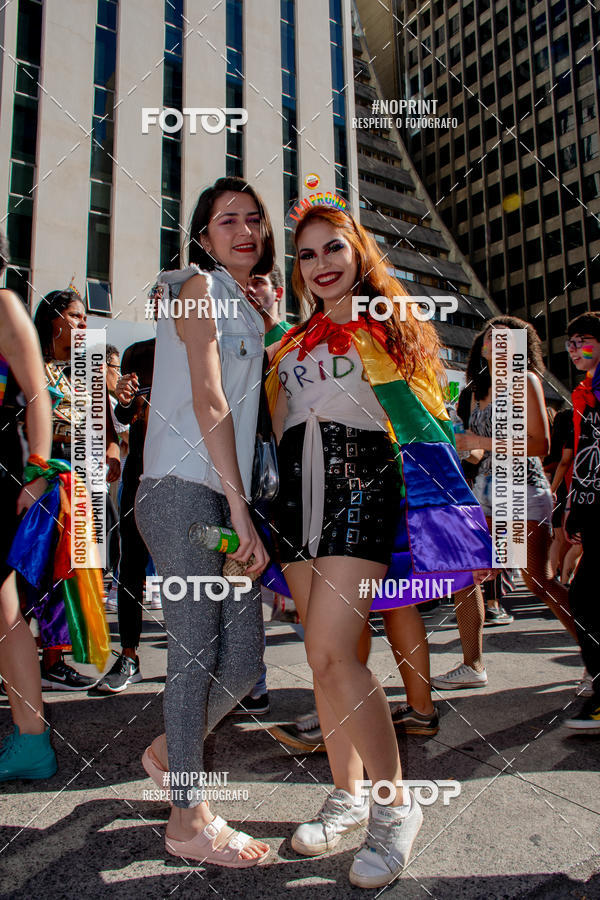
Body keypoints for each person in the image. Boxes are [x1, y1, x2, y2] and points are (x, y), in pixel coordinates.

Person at [265, 201, 492, 888]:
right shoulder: (290, 341)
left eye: (334, 249)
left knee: (334, 651)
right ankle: (348, 794)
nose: (321, 264)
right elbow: (276, 428)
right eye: (307, 255)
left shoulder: (390, 326)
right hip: (296, 501)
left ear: (358, 253)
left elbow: (422, 420)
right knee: (327, 658)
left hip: (364, 487)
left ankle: (395, 808)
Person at [134, 176, 271, 867]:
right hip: (185, 494)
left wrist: (269, 321)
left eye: (254, 219)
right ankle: (187, 820)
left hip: (220, 500)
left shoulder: (248, 306)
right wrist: (238, 507)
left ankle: (168, 752)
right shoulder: (194, 287)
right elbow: (209, 395)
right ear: (202, 235)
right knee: (194, 654)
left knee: (243, 662)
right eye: (227, 221)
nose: (246, 230)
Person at [433, 317, 578, 691]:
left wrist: (481, 444)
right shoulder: (476, 389)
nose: (496, 346)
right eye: (489, 340)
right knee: (466, 577)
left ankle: (593, 655)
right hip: (484, 496)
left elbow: (540, 446)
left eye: (505, 341)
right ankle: (473, 665)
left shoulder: (524, 380)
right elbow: (477, 452)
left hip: (519, 494)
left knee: (540, 582)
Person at [27, 289, 119, 690]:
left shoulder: (83, 370)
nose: (84, 325)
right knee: (28, 571)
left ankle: (52, 660)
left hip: (76, 486)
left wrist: (110, 456)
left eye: (85, 318)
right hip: (36, 481)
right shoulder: (28, 364)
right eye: (76, 316)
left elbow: (107, 432)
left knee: (64, 573)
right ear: (53, 319)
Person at [0, 234, 57, 781]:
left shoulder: (4, 305)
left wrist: (39, 471)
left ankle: (32, 739)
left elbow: (39, 392)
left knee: (2, 603)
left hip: (1, 470)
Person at [94, 337, 156, 692]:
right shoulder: (139, 352)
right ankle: (129, 655)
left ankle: (197, 657)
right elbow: (124, 416)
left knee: (191, 568)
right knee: (131, 564)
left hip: (188, 470)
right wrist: (124, 399)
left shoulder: (205, 344)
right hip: (140, 470)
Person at [563, 313, 600, 730]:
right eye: (571, 343)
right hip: (591, 507)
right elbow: (584, 457)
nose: (575, 349)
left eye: (584, 341)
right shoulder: (584, 393)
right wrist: (575, 507)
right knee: (586, 598)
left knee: (586, 598)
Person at [246, 263, 291, 348]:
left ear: (278, 293)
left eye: (258, 282)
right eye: (245, 284)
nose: (248, 289)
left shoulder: (294, 340)